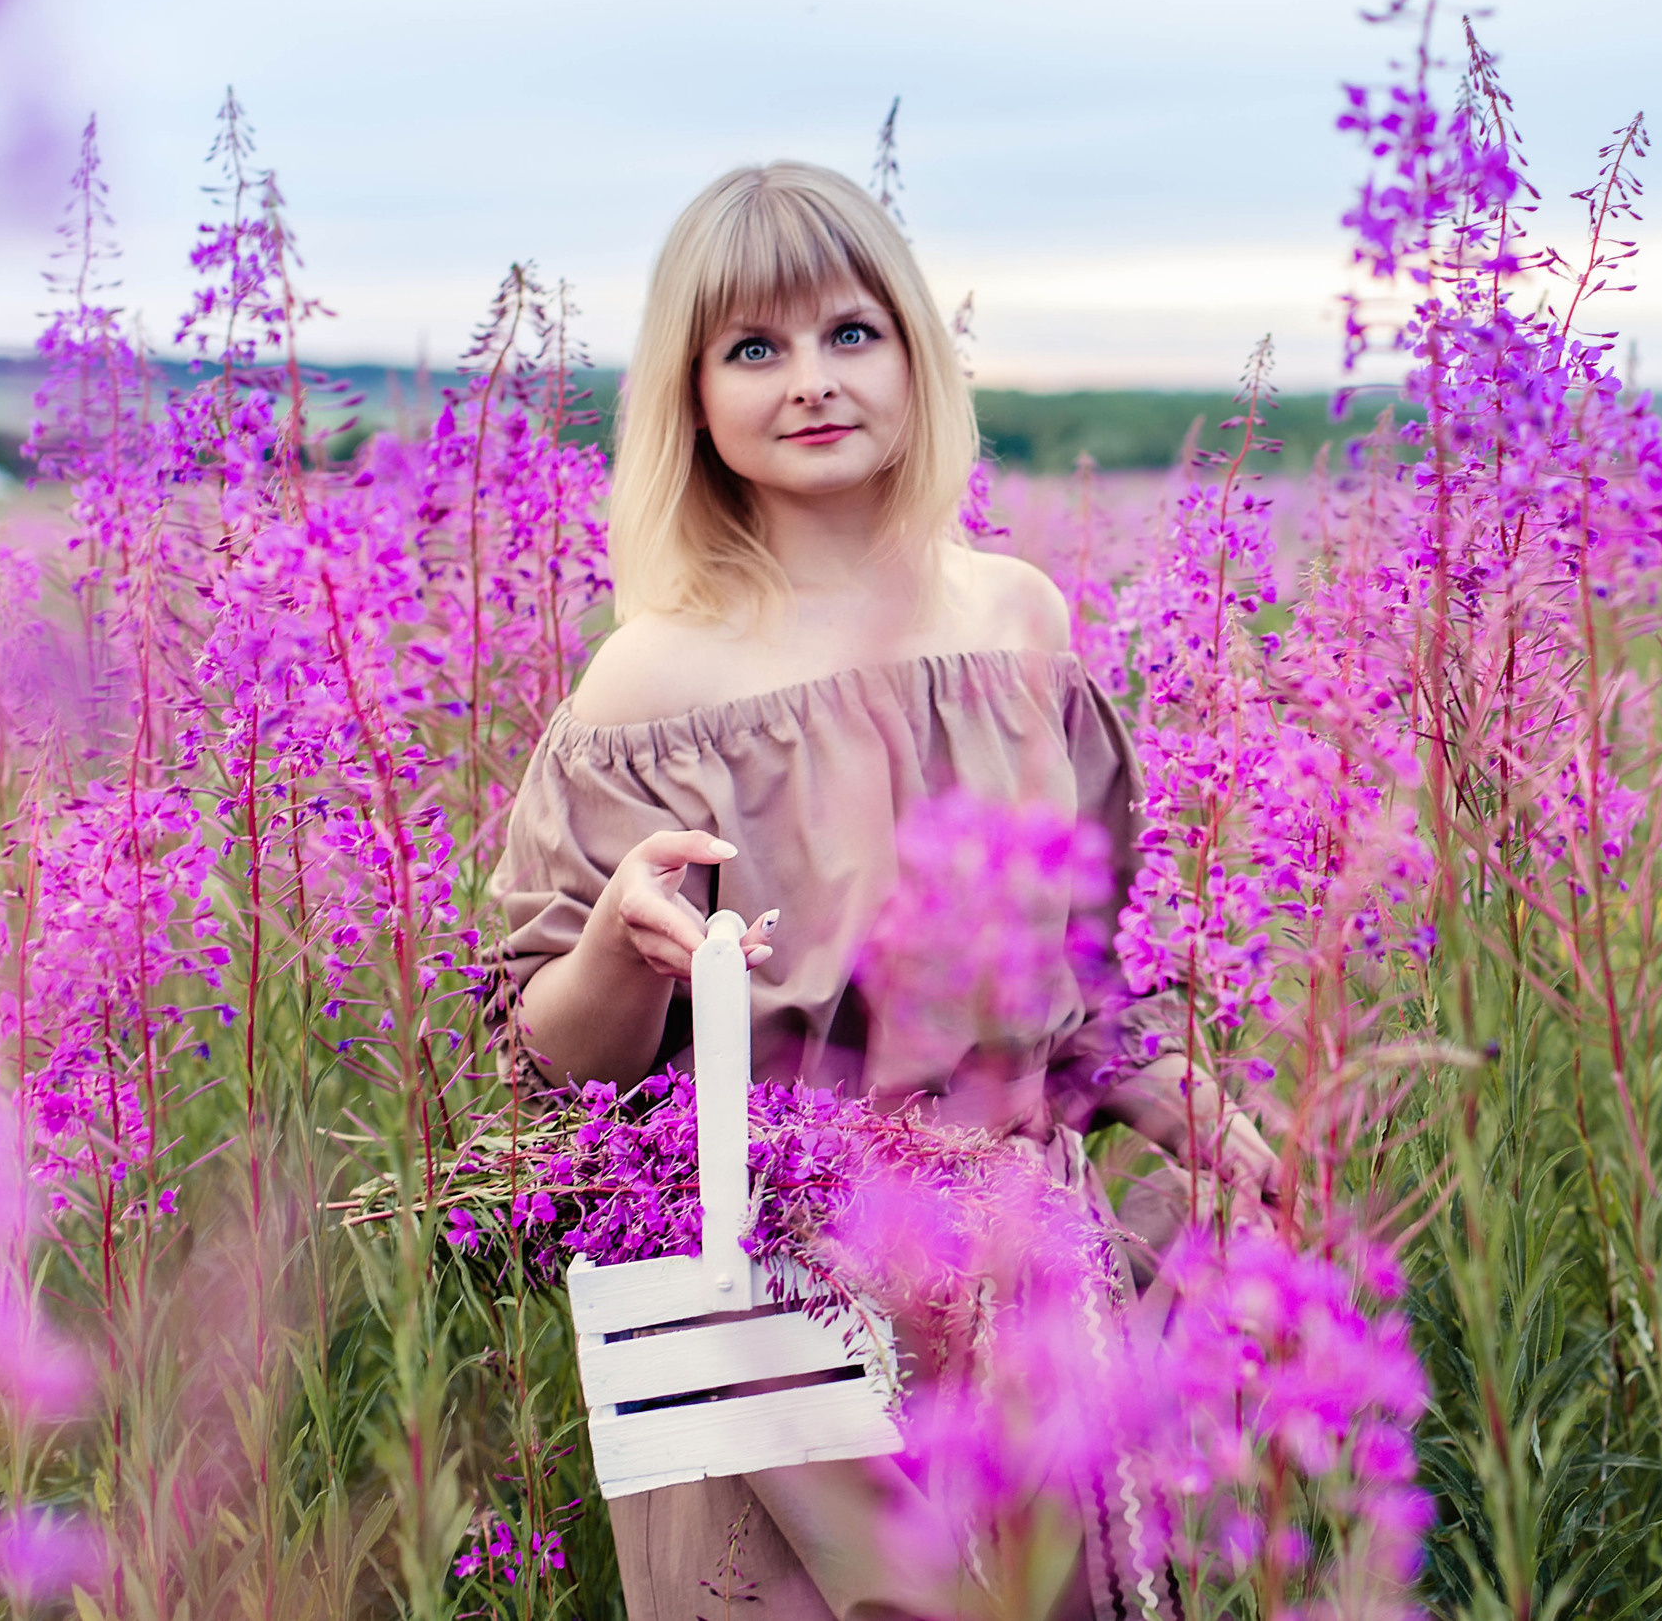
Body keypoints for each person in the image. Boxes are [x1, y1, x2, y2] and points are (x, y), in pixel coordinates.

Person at [486, 162, 1275, 1621]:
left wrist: (1189, 1105)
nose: (810, 382)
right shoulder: (655, 677)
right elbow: (558, 1061)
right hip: (782, 1314)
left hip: (1027, 1290)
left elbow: (1080, 978)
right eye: (753, 349)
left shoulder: (1019, 623)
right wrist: (620, 943)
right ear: (694, 397)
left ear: (916, 352)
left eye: (851, 332)